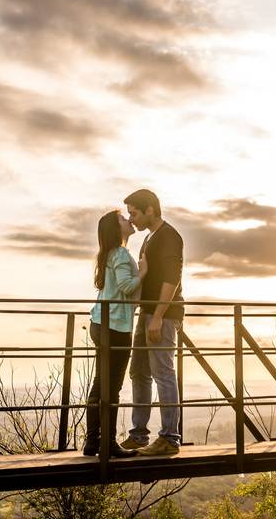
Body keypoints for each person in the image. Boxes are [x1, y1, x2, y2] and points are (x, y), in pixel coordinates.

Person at [120, 189, 184, 456]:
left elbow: (172, 278)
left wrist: (158, 317)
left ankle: (170, 438)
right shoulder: (149, 238)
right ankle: (139, 434)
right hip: (147, 314)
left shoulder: (169, 236)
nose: (131, 218)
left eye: (134, 213)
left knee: (163, 373)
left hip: (162, 316)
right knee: (139, 372)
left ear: (150, 210)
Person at [83, 210, 146, 458]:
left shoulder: (110, 253)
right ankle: (107, 444)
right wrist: (143, 271)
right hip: (115, 327)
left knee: (100, 385)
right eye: (123, 219)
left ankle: (93, 442)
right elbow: (126, 286)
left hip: (100, 323)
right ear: (115, 229)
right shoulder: (119, 254)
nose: (129, 220)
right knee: (112, 387)